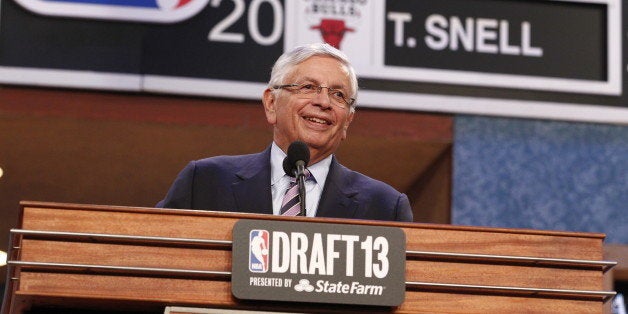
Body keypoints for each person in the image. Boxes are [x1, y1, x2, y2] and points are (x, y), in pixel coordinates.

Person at [157, 43, 413, 222]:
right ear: (271, 104)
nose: (323, 102)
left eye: (338, 95)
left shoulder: (384, 206)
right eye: (308, 87)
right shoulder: (205, 182)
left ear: (347, 121)